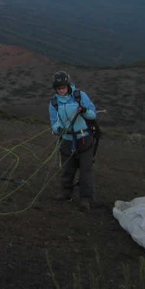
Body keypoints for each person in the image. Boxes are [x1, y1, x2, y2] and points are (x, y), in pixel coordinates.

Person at [48, 71, 98, 210]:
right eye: (58, 88)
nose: (61, 90)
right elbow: (54, 121)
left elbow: (93, 114)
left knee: (85, 169)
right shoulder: (54, 102)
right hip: (66, 140)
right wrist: (58, 128)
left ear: (68, 85)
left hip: (83, 139)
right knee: (67, 168)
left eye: (63, 87)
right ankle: (65, 192)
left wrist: (84, 111)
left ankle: (86, 199)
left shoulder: (80, 96)